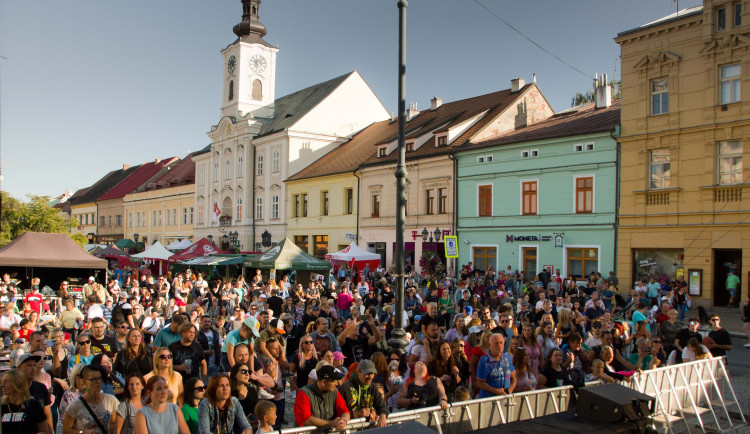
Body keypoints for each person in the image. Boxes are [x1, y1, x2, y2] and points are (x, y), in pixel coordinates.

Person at [63, 364, 119, 434]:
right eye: (93, 379)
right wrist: (82, 432)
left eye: (100, 378)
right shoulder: (75, 406)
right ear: (84, 382)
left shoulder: (112, 400)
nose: (98, 382)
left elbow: (115, 426)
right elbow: (66, 431)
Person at [337, 359, 389, 427]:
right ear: (358, 372)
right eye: (367, 374)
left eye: (372, 373)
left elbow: (382, 406)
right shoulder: (345, 388)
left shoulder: (372, 387)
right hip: (349, 428)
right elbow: (338, 412)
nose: (370, 377)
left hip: (367, 428)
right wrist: (357, 414)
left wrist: (383, 415)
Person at [1, 369, 48, 433]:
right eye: (2, 381)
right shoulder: (2, 406)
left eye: (6, 381)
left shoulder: (33, 404)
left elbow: (44, 431)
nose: (2, 385)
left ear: (17, 383)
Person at [19, 353, 54, 433]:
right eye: (28, 365)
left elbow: (47, 414)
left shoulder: (41, 387)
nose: (33, 368)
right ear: (19, 368)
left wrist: (50, 432)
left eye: (34, 365)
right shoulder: (14, 388)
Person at [475, 333, 516, 397]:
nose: (499, 345)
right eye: (496, 343)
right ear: (490, 345)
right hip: (489, 400)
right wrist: (496, 391)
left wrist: (510, 391)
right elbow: (479, 382)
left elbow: (514, 378)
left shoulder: (507, 358)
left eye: (501, 343)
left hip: (505, 398)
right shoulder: (484, 360)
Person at [57, 364, 86, 434]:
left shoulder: (96, 393)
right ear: (74, 377)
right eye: (81, 376)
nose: (84, 379)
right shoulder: (68, 395)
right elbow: (64, 419)